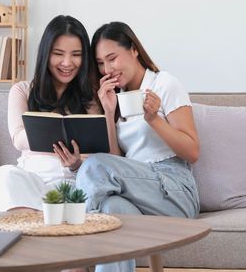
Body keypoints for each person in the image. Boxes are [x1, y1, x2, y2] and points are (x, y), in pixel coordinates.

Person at [56, 21, 200, 272]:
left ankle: (75, 250)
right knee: (112, 212)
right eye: (100, 63)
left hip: (175, 192)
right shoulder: (118, 97)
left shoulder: (164, 84)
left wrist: (154, 119)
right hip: (136, 191)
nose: (107, 69)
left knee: (93, 165)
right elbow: (117, 160)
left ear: (133, 50)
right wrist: (109, 113)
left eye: (112, 58)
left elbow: (192, 151)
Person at [0, 15, 100, 213]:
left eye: (76, 54)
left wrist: (77, 163)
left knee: (77, 196)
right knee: (2, 176)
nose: (67, 62)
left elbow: (96, 152)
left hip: (72, 183)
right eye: (58, 53)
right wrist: (54, 129)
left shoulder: (91, 97)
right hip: (33, 179)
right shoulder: (23, 91)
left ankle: (36, 222)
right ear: (46, 54)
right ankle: (35, 221)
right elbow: (18, 139)